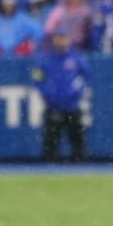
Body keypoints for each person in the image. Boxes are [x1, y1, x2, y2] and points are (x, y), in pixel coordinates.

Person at [32, 26, 90, 162]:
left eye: (64, 38)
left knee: (77, 141)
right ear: (53, 40)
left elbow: (87, 77)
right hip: (53, 107)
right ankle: (49, 171)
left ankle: (80, 168)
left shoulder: (76, 58)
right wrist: (47, 93)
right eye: (59, 38)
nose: (61, 41)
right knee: (50, 143)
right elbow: (37, 79)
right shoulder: (45, 60)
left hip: (72, 106)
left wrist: (77, 90)